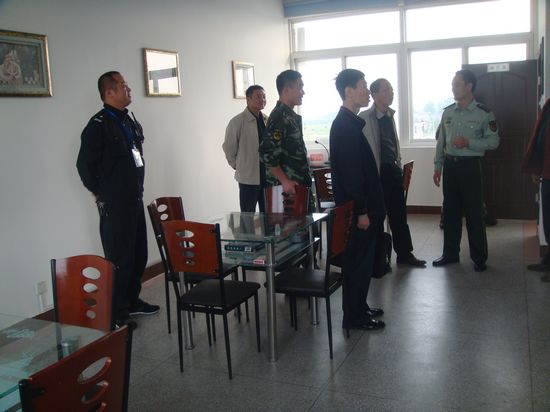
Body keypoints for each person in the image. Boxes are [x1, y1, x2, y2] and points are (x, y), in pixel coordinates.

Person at [77, 71, 159, 327]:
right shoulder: (98, 126)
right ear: (109, 92)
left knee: (138, 255)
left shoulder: (127, 121)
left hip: (134, 199)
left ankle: (132, 301)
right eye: (123, 85)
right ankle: (117, 313)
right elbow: (84, 166)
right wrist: (102, 193)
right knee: (119, 260)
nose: (128, 89)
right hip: (115, 205)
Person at [330, 68, 386, 330]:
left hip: (363, 208)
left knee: (362, 263)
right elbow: (352, 176)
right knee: (357, 264)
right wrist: (362, 211)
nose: (367, 92)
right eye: (363, 86)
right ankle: (354, 317)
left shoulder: (351, 122)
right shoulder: (344, 126)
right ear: (349, 91)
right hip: (358, 211)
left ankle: (359, 307)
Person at [432, 69, 500, 272]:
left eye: (457, 84)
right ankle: (450, 254)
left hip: (471, 167)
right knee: (450, 212)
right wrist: (438, 166)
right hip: (450, 167)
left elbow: (494, 141)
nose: (453, 88)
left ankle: (479, 258)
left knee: (474, 214)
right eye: (452, 84)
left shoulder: (484, 113)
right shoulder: (448, 112)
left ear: (469, 86)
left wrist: (468, 143)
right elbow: (441, 143)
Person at [359, 78, 426, 267]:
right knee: (377, 217)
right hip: (377, 173)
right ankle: (377, 259)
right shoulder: (364, 118)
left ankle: (405, 254)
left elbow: (392, 144)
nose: (391, 93)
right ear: (374, 95)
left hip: (393, 171)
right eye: (386, 90)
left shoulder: (390, 115)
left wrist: (398, 161)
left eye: (391, 89)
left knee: (399, 215)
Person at [259, 69, 313, 211]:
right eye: (300, 87)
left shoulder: (289, 116)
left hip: (298, 186)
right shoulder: (279, 117)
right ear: (287, 90)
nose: (303, 92)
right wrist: (285, 181)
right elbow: (266, 153)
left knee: (305, 224)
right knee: (290, 225)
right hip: (287, 192)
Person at [223, 85, 268, 212]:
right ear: (248, 99)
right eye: (258, 96)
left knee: (269, 215)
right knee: (247, 215)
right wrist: (237, 165)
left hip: (267, 177)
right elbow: (228, 147)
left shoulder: (267, 119)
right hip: (248, 179)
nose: (262, 100)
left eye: (264, 97)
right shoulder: (237, 121)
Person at [522, 97, 550, 282]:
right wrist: (536, 167)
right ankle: (548, 261)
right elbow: (541, 138)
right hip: (547, 173)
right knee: (548, 219)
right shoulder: (548, 105)